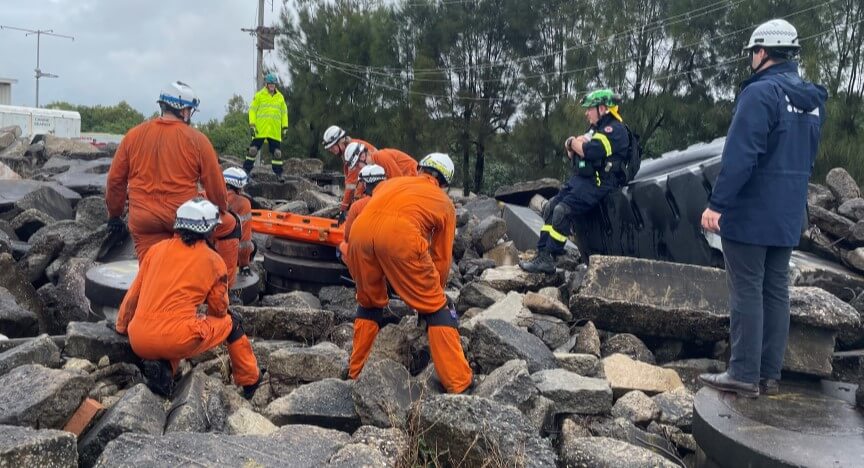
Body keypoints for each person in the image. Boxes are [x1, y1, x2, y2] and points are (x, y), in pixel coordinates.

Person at [699, 19, 827, 398]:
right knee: (776, 292)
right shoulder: (812, 102)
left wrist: (716, 204)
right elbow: (808, 157)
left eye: (753, 52)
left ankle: (742, 373)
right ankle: (769, 376)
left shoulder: (761, 94)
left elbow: (741, 156)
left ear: (763, 52)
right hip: (787, 214)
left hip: (751, 214)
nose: (751, 59)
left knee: (746, 291)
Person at [346, 153, 473, 394]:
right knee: (436, 306)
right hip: (399, 236)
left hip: (360, 235)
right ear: (444, 182)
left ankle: (356, 372)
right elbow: (442, 257)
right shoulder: (443, 202)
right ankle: (459, 382)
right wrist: (431, 299)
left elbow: (363, 210)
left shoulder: (391, 183)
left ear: (419, 169)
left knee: (369, 302)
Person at [115, 198, 262, 398]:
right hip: (176, 339)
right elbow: (219, 309)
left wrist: (122, 327)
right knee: (231, 322)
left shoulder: (155, 250)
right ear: (210, 230)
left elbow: (133, 295)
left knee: (180, 324)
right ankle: (251, 382)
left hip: (138, 338)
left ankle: (164, 370)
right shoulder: (214, 261)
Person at [106, 81, 238, 265]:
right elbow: (216, 187)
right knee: (232, 225)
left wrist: (114, 214)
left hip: (144, 222)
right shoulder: (198, 140)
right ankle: (221, 287)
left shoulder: (133, 135)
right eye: (189, 110)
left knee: (151, 268)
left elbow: (115, 181)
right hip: (184, 221)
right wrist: (222, 207)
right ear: (183, 110)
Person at [519, 89, 632, 274]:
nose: (586, 113)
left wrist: (573, 143)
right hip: (582, 180)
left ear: (602, 108)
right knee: (550, 207)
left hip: (599, 183)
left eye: (590, 109)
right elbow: (573, 150)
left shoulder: (615, 130)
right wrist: (574, 144)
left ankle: (550, 256)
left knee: (562, 212)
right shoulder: (596, 128)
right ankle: (542, 254)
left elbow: (590, 150)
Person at [321, 125, 378, 220]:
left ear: (341, 142)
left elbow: (351, 185)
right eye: (329, 149)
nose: (331, 151)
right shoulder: (351, 148)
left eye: (332, 147)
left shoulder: (353, 152)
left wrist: (343, 209)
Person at [244, 73, 289, 181]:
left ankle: (279, 174)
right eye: (270, 84)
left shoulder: (280, 97)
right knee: (253, 151)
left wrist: (285, 127)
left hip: (274, 130)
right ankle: (246, 171)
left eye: (273, 84)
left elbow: (284, 113)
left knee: (277, 154)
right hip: (261, 129)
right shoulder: (259, 95)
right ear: (266, 84)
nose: (272, 86)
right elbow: (252, 110)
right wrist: (252, 125)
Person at [338, 164, 387, 260]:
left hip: (368, 255)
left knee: (342, 247)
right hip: (388, 250)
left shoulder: (358, 206)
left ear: (365, 184)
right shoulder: (393, 200)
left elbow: (348, 236)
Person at [224, 167, 256, 275]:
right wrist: (244, 265)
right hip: (228, 256)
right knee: (253, 246)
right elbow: (245, 243)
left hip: (207, 254)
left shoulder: (208, 196)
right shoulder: (243, 203)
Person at [343, 142, 418, 180]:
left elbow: (397, 182)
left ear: (362, 157)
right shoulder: (375, 165)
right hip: (410, 181)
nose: (358, 169)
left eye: (357, 165)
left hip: (415, 178)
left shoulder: (381, 157)